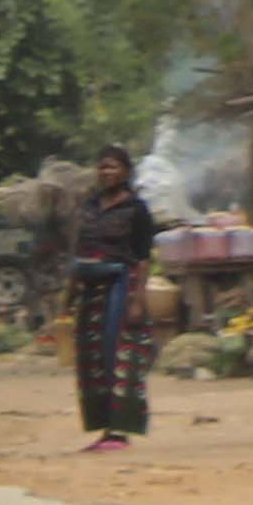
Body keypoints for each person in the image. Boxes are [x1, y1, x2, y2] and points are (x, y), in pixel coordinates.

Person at [66, 147, 160, 446]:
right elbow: (79, 250)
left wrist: (137, 299)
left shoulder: (136, 210)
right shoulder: (90, 206)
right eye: (103, 167)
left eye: (114, 167)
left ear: (126, 172)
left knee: (115, 354)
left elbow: (143, 258)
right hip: (91, 290)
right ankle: (104, 426)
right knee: (91, 359)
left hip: (122, 286)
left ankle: (119, 430)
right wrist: (69, 296)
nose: (107, 172)